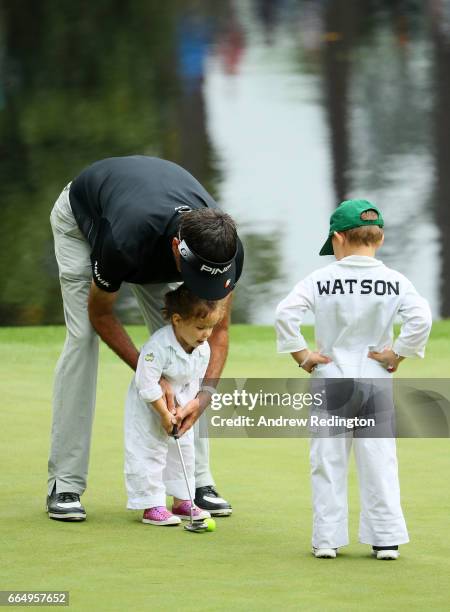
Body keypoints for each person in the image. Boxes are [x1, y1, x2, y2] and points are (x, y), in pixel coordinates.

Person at [47, 156, 244, 521]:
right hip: (84, 217)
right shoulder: (123, 242)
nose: (202, 289)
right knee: (82, 342)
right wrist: (152, 375)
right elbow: (101, 314)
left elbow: (218, 333)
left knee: (189, 344)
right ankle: (65, 482)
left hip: (146, 228)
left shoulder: (225, 249)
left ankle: (196, 482)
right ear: (176, 249)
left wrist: (202, 398)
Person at [275, 199, 432, 560]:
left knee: (327, 460)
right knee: (379, 459)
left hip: (330, 375)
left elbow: (286, 313)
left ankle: (328, 539)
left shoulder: (320, 278)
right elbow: (420, 319)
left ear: (338, 238)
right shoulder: (395, 281)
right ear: (378, 239)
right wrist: (399, 353)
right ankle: (386, 539)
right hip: (375, 377)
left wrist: (303, 355)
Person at [125, 285, 225, 525]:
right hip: (149, 407)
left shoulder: (203, 349)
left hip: (179, 406)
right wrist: (162, 413)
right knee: (150, 452)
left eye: (211, 327)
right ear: (178, 320)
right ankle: (152, 505)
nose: (207, 334)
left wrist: (183, 410)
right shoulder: (157, 346)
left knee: (186, 451)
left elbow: (194, 382)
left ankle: (182, 501)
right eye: (201, 327)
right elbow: (146, 383)